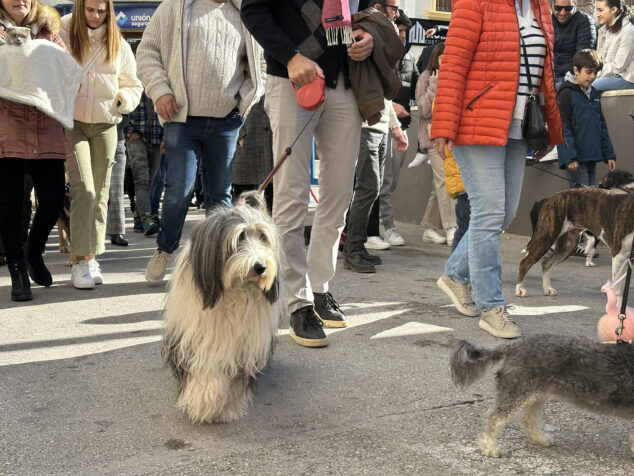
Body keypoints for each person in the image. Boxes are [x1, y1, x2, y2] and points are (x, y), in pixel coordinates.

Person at [241, 0, 376, 347]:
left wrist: (366, 37)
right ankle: (296, 301)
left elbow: (364, 13)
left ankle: (320, 288)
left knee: (339, 195)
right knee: (292, 194)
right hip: (290, 77)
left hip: (344, 81)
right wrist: (290, 56)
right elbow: (254, 10)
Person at [431, 0, 563, 339]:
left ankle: (454, 276)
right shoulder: (475, 3)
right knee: (489, 214)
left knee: (501, 216)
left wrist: (553, 127)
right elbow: (454, 65)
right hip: (476, 123)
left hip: (519, 127)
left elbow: (546, 75)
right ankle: (492, 307)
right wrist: (444, 123)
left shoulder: (540, 8)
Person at [136, 0, 264, 284]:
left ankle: (218, 262)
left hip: (226, 122)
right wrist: (160, 90)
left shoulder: (246, 13)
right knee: (178, 191)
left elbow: (259, 64)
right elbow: (147, 52)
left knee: (220, 198)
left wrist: (242, 104)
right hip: (182, 120)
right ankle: (165, 249)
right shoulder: (174, 6)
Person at [60, 0, 142, 289]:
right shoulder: (63, 30)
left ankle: (91, 257)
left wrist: (123, 100)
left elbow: (133, 84)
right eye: (90, 10)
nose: (96, 16)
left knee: (102, 192)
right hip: (73, 122)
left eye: (102, 10)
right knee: (85, 189)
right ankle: (79, 260)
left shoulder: (118, 42)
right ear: (80, 8)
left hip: (107, 123)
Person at [0, 0, 68, 301]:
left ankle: (34, 250)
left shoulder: (49, 29)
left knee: (54, 200)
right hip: (6, 126)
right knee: (9, 206)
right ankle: (17, 269)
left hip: (46, 125)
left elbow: (67, 73)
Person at [365, 6, 418, 249]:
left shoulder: (407, 59)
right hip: (378, 124)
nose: (402, 35)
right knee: (380, 181)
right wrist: (391, 108)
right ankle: (384, 226)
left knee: (390, 182)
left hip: (399, 127)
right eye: (399, 29)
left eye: (405, 31)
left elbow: (416, 89)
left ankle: (374, 227)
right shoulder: (378, 52)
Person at [416, 42, 457, 247]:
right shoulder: (426, 78)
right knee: (444, 181)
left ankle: (431, 228)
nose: (446, 60)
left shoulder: (454, 76)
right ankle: (451, 227)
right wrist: (435, 84)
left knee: (439, 183)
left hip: (450, 136)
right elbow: (424, 110)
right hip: (432, 136)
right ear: (435, 59)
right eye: (442, 57)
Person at [557, 49, 616, 187]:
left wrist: (609, 155)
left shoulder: (594, 94)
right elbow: (562, 127)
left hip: (591, 157)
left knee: (590, 201)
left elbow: (601, 126)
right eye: (588, 72)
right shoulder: (566, 94)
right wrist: (570, 156)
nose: (593, 77)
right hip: (576, 161)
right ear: (576, 70)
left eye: (595, 73)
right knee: (581, 203)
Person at [126, 91, 163, 236]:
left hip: (156, 137)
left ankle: (138, 219)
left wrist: (165, 137)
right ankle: (147, 218)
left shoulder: (159, 84)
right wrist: (129, 132)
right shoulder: (133, 79)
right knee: (142, 180)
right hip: (136, 138)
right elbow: (120, 108)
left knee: (150, 181)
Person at [551, 0, 596, 90]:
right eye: (558, 8)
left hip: (572, 77)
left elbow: (583, 58)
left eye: (568, 8)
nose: (563, 13)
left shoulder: (584, 20)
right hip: (550, 76)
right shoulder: (547, 20)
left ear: (575, 4)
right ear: (552, 5)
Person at [593, 0, 634, 92]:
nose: (597, 14)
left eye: (600, 10)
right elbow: (600, 61)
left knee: (591, 86)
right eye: (597, 10)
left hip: (626, 78)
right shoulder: (602, 30)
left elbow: (618, 66)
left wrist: (595, 74)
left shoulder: (628, 32)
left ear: (613, 9)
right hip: (608, 75)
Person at [106, 115, 129, 246]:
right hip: (92, 140)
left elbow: (126, 116)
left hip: (117, 142)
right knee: (94, 191)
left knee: (117, 190)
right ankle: (91, 234)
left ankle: (117, 231)